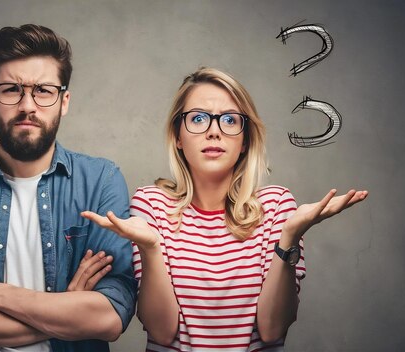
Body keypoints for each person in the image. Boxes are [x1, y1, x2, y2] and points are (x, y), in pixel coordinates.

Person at [82, 68, 368, 351]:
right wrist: (152, 248)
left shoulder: (276, 205)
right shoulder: (151, 204)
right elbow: (161, 331)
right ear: (178, 136)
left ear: (245, 140)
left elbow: (272, 329)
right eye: (198, 119)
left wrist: (289, 238)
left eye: (230, 120)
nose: (214, 132)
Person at [0, 24, 136, 352]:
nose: (28, 105)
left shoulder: (101, 180)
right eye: (11, 90)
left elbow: (110, 317)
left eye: (43, 90)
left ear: (64, 101)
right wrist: (67, 310)